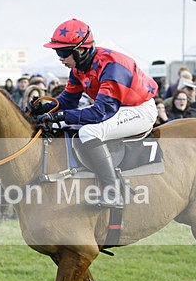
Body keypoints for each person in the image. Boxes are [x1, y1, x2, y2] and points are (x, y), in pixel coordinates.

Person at [38, 18, 158, 208]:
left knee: (89, 132)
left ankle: (113, 193)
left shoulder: (112, 67)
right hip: (119, 108)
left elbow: (100, 113)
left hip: (139, 110)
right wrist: (44, 108)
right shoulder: (78, 68)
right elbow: (68, 101)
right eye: (57, 52)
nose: (60, 58)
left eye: (62, 52)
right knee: (64, 124)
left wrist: (61, 116)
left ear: (81, 50)